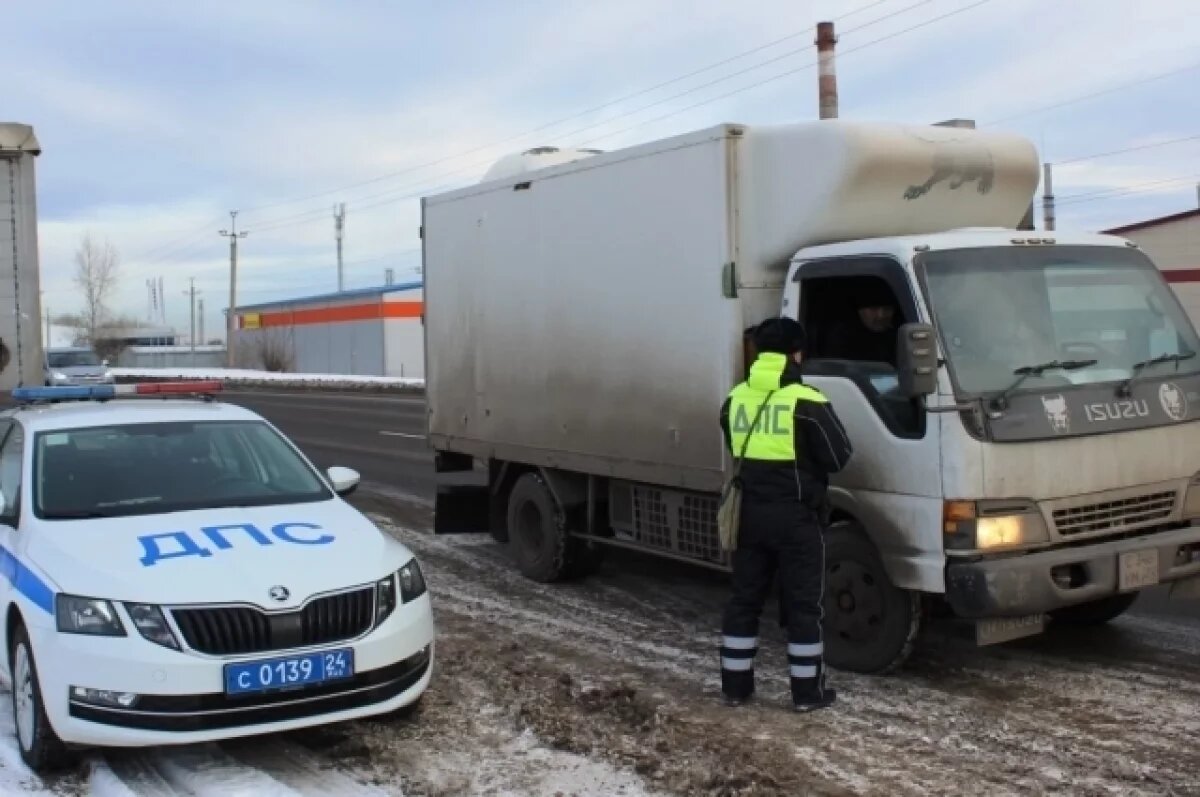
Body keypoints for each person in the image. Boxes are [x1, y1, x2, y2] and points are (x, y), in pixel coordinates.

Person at [717, 316, 853, 712]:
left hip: (750, 516)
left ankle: (736, 688)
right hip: (796, 519)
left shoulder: (735, 399)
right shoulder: (806, 401)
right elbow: (839, 455)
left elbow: (734, 443)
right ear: (796, 354)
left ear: (759, 354)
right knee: (804, 606)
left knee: (744, 601)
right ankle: (807, 694)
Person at [825, 282, 898, 365]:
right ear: (859, 310)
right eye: (873, 309)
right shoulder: (841, 337)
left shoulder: (900, 335)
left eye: (887, 309)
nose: (881, 315)